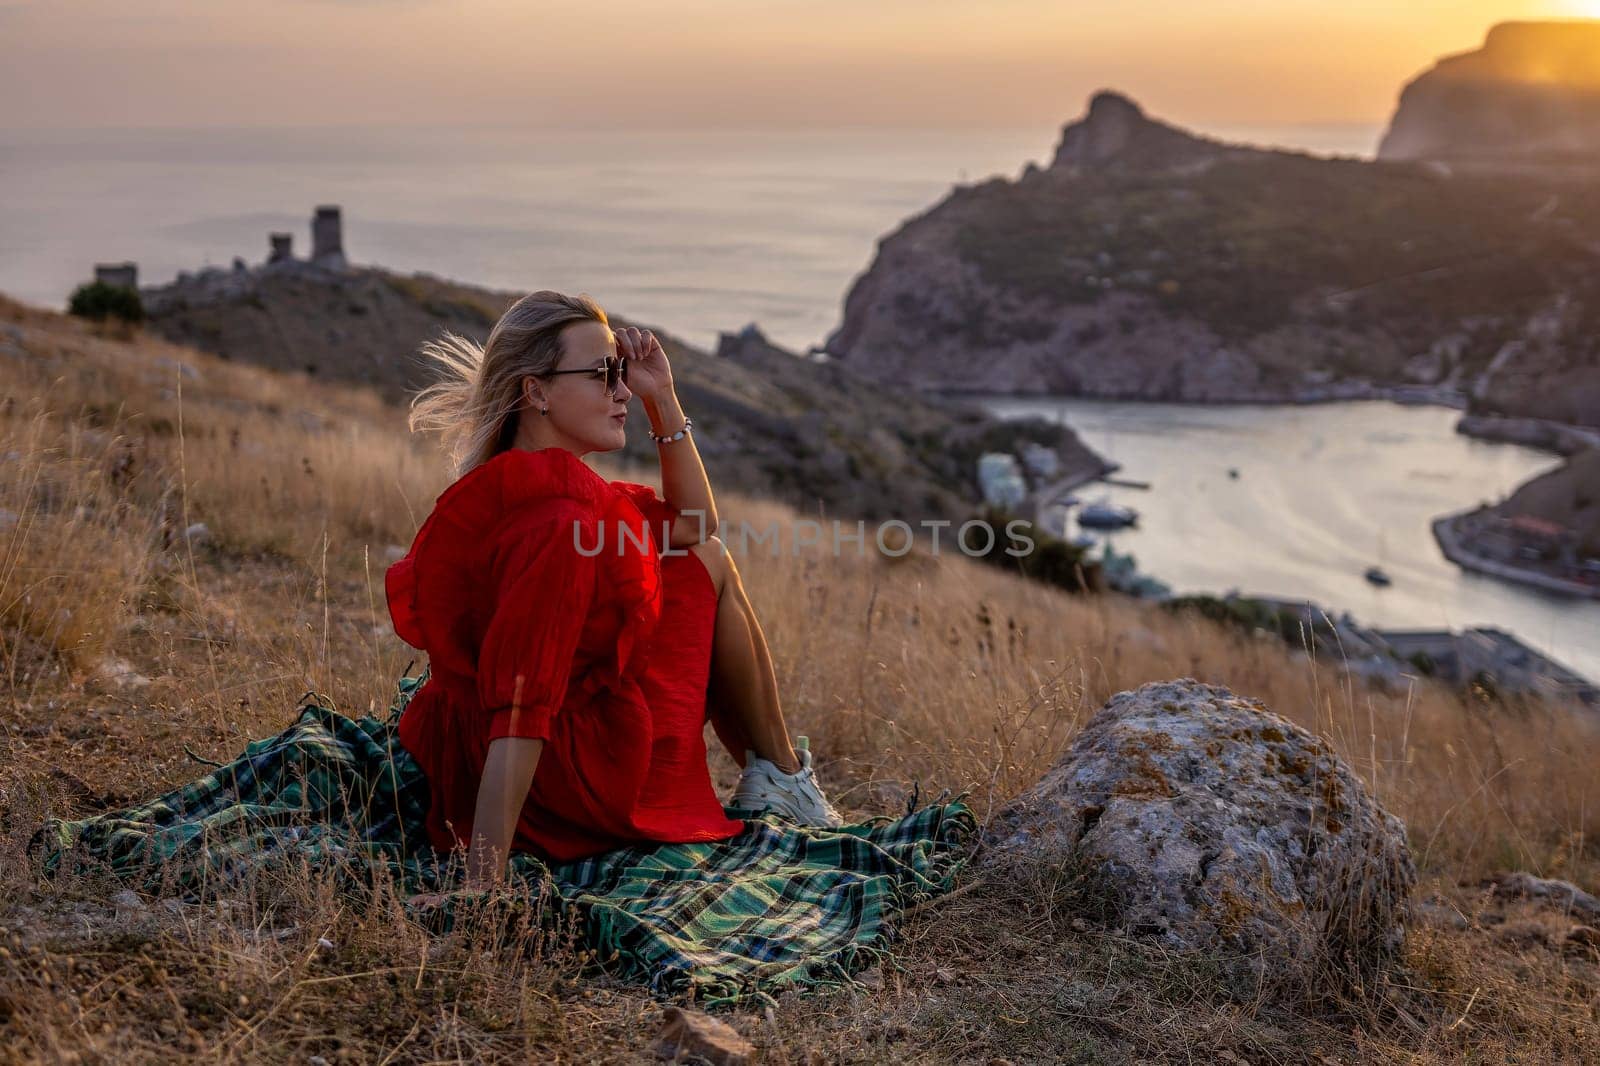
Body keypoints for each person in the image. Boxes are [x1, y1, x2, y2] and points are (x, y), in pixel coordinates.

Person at [388, 290, 842, 906]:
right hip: (565, 782)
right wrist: (482, 884)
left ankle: (779, 777)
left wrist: (663, 398)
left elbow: (692, 525)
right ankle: (783, 778)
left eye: (621, 374)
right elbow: (521, 705)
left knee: (702, 557)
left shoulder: (533, 481)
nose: (621, 390)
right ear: (536, 392)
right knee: (710, 561)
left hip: (511, 746)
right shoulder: (556, 525)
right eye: (604, 375)